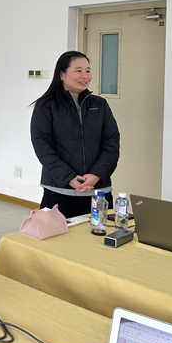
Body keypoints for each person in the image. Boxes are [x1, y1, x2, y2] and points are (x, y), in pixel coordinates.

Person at [30, 51, 120, 218]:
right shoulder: (46, 106)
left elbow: (111, 143)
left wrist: (96, 175)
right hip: (59, 192)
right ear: (62, 74)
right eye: (78, 70)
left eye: (88, 70)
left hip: (99, 193)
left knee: (99, 234)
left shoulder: (100, 105)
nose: (85, 76)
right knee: (57, 235)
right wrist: (69, 178)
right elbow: (42, 146)